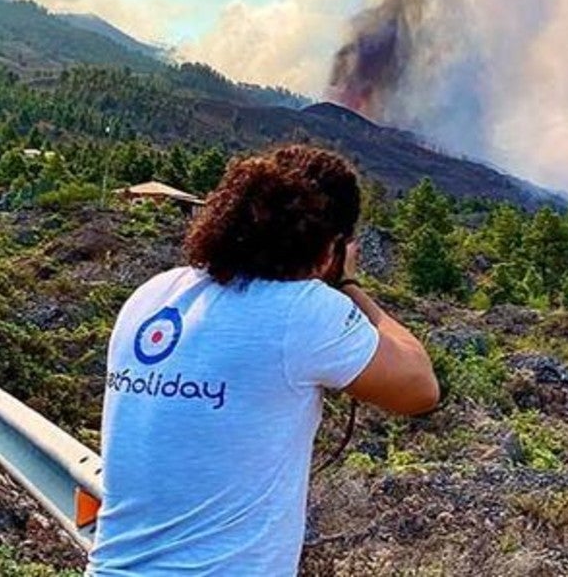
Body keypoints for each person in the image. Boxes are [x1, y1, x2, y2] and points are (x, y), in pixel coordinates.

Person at [88, 145, 439, 576]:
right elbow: (420, 387)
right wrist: (346, 283)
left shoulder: (154, 294)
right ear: (330, 247)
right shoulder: (301, 311)